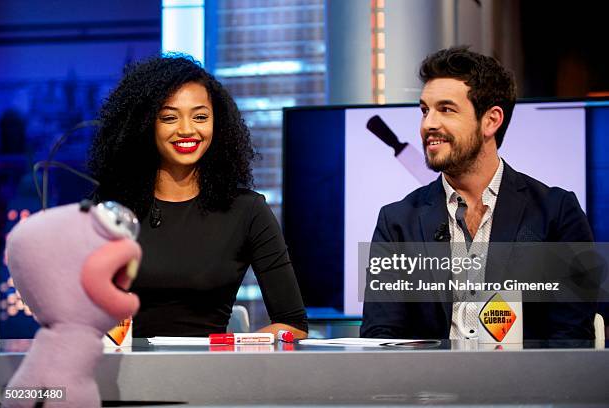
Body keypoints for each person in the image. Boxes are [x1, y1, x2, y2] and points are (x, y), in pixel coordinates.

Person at [360, 46, 597, 340]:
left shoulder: (557, 213)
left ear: (491, 120)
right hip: (427, 384)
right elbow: (381, 336)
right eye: (424, 110)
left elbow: (571, 338)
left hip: (525, 383)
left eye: (445, 109)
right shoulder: (397, 222)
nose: (428, 124)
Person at [88, 55, 307, 339]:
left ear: (218, 124)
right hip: (122, 372)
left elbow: (293, 324)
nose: (187, 130)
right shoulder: (111, 209)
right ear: (144, 125)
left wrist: (230, 349)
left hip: (213, 375)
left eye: (200, 116)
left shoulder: (247, 210)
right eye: (169, 117)